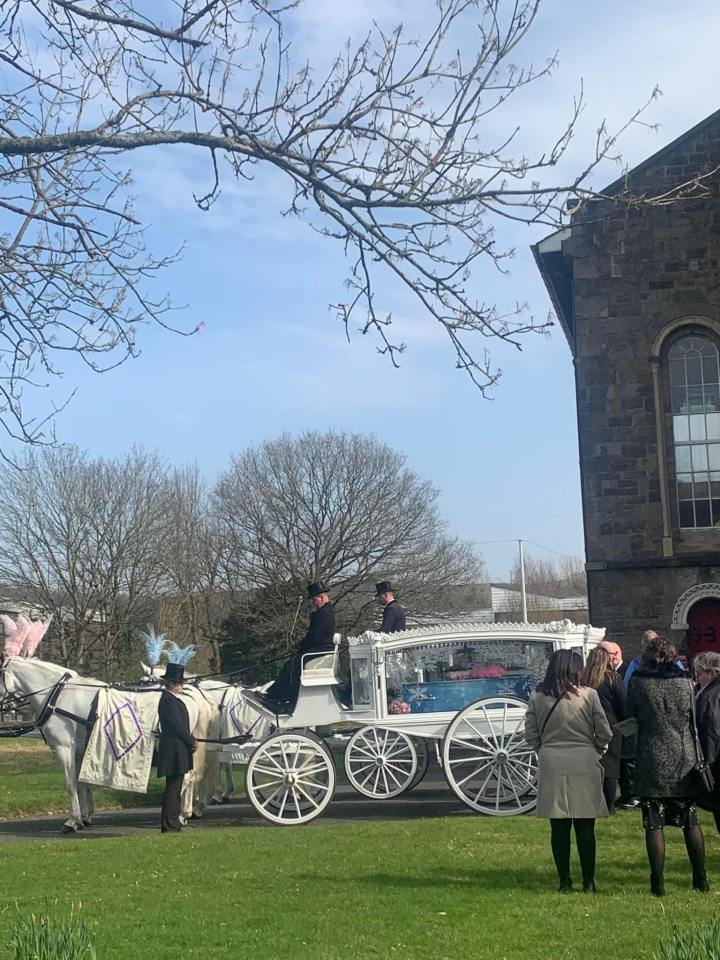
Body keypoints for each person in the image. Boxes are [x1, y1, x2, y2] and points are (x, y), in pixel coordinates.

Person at [626, 635, 709, 896]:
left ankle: (658, 882)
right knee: (689, 819)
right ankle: (700, 878)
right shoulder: (685, 682)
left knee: (654, 822)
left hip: (652, 754)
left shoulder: (639, 682)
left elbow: (632, 715)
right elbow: (692, 717)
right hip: (683, 754)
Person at [525, 649, 612, 894]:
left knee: (559, 826)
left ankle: (564, 880)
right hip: (584, 759)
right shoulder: (589, 695)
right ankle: (589, 881)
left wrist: (544, 748)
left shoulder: (537, 697)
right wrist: (598, 749)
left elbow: (530, 733)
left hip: (552, 760)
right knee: (586, 826)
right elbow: (604, 731)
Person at [257, 581, 336, 713]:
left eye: (313, 600)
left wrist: (301, 647)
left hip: (320, 649)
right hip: (320, 648)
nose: (312, 603)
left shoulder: (324, 613)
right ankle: (278, 696)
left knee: (292, 665)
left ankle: (283, 699)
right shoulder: (325, 611)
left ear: (321, 598)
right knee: (292, 663)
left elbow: (314, 636)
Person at [582, 646, 626, 814]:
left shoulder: (583, 679)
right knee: (610, 768)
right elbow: (623, 702)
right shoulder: (612, 678)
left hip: (587, 724)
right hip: (611, 725)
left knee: (592, 765)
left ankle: (592, 802)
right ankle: (609, 806)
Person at [157, 662, 196, 833]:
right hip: (173, 750)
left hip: (178, 749)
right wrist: (190, 740)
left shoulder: (173, 700)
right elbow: (177, 726)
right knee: (172, 789)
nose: (183, 686)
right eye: (180, 683)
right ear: (173, 684)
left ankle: (173, 820)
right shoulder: (168, 701)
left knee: (176, 787)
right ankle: (169, 823)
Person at [693, 650, 720, 832]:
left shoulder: (709, 697)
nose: (697, 678)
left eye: (700, 673)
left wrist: (708, 764)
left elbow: (712, 731)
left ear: (712, 673)